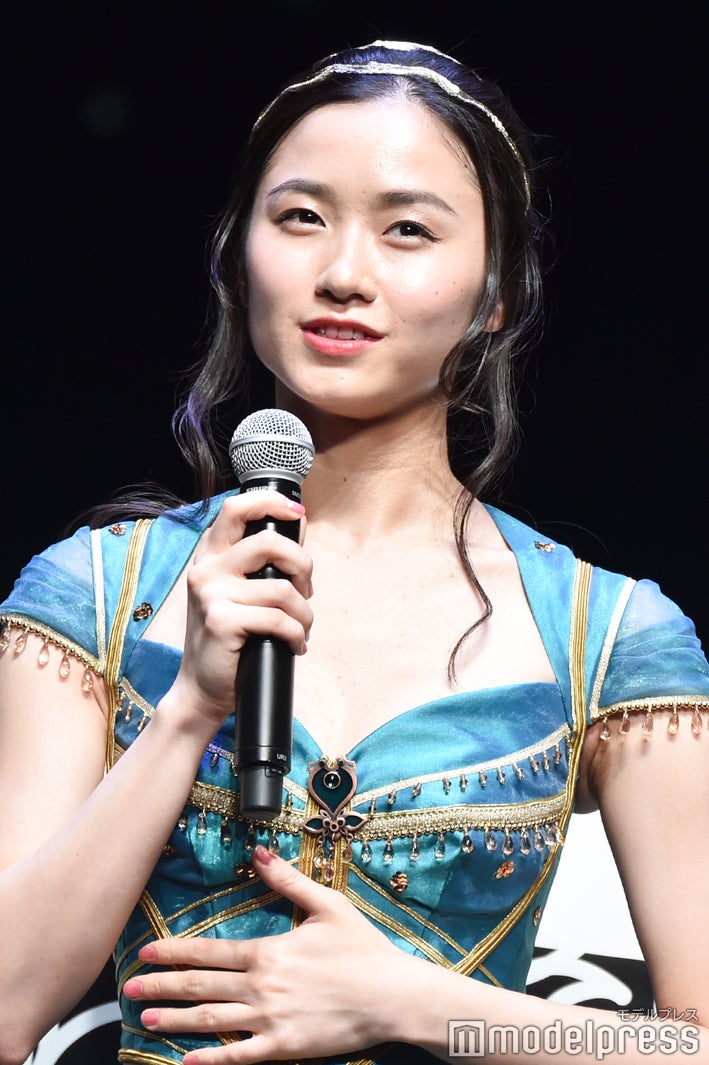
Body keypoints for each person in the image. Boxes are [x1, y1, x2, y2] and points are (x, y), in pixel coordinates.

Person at [0, 38, 707, 1065]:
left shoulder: (611, 636)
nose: (341, 274)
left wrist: (409, 1004)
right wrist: (189, 707)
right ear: (238, 254)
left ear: (498, 293)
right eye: (301, 217)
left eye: (407, 229)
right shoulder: (95, 591)